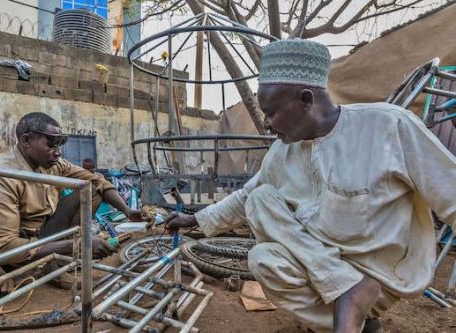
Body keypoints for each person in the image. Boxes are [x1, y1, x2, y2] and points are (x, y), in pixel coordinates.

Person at [165, 39, 456, 333]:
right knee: (261, 235)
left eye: (271, 112)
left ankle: (353, 303)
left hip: (381, 274)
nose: (266, 124)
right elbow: (246, 197)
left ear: (306, 100)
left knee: (262, 204)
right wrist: (195, 219)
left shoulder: (388, 127)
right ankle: (353, 306)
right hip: (323, 272)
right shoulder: (283, 151)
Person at [0, 112, 148, 301]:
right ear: (26, 140)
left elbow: (98, 181)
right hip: (16, 242)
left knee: (92, 191)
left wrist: (128, 211)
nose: (58, 151)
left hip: (43, 232)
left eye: (59, 145)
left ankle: (54, 265)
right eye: (51, 144)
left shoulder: (53, 163)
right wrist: (77, 246)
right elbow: (5, 247)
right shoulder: (4, 175)